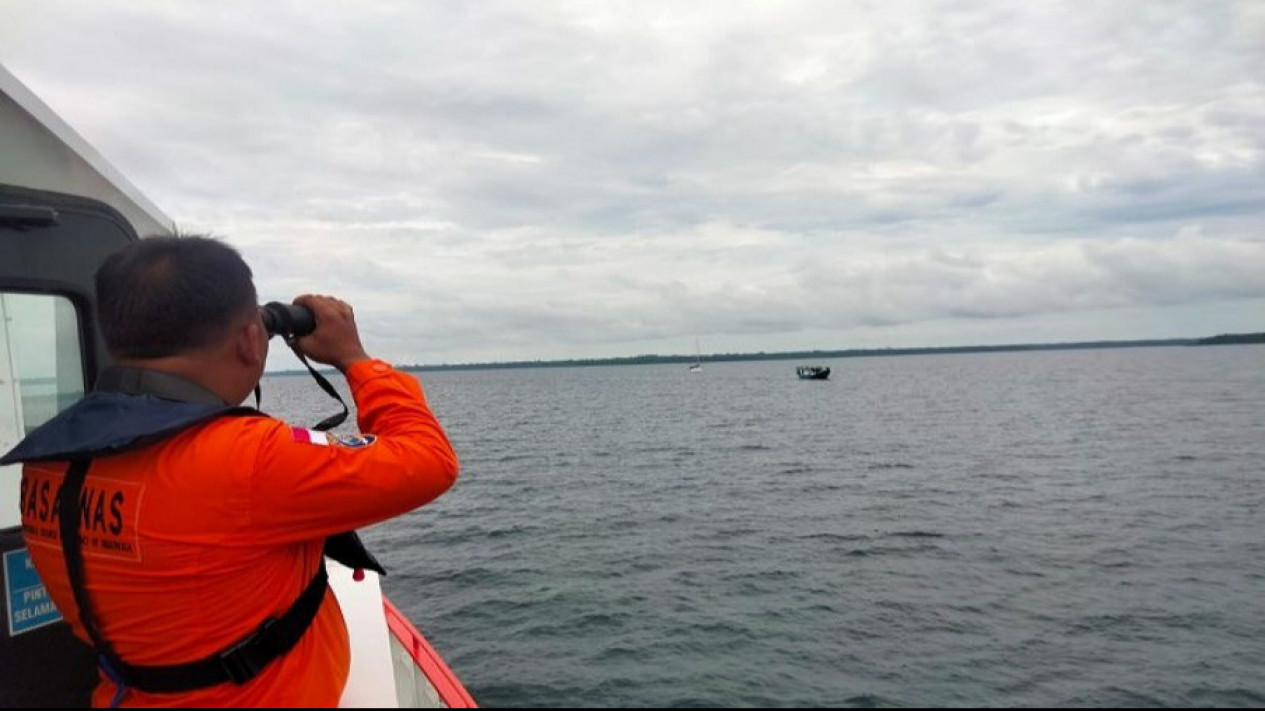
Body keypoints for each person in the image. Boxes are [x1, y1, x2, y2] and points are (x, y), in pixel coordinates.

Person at [1, 236, 459, 707]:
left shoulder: (49, 459)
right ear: (248, 340)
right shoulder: (249, 461)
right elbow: (430, 459)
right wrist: (354, 358)